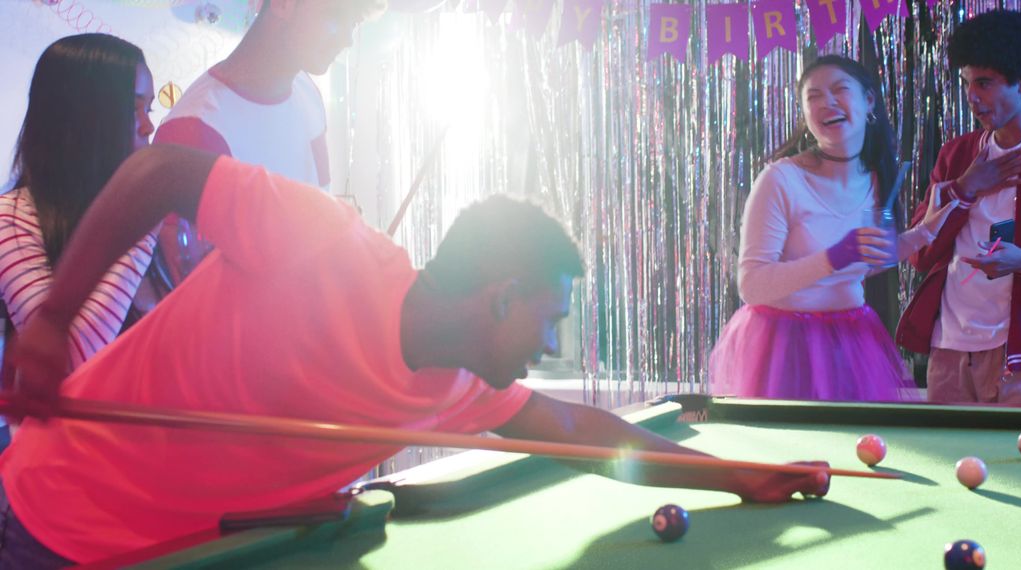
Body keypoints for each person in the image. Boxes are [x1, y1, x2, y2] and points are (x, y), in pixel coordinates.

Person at [0, 145, 830, 567]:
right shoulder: (321, 238)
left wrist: (736, 477)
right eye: (549, 321)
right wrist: (51, 322)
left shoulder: (466, 388)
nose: (548, 348)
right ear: (500, 296)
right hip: (48, 522)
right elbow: (161, 168)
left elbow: (587, 434)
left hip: (189, 553)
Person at [708, 55, 957, 401]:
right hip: (784, 345)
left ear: (869, 100)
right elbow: (752, 285)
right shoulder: (779, 180)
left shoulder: (874, 178)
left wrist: (923, 235)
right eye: (813, 97)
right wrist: (835, 256)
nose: (827, 103)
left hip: (851, 340)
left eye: (840, 90)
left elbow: (865, 263)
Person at [896, 9, 1021, 405]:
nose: (971, 97)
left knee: (1018, 466)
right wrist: (964, 190)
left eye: (984, 82)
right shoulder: (957, 153)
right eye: (966, 82)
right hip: (949, 344)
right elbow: (921, 253)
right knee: (947, 462)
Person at [153, 0, 384, 283]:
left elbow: (318, 206)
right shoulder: (195, 130)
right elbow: (192, 287)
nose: (348, 38)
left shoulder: (306, 92)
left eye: (355, 22)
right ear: (283, 4)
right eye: (336, 14)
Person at [0, 34, 158, 387]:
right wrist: (145, 218)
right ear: (85, 119)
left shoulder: (137, 216)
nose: (148, 126)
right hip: (69, 440)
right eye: (133, 110)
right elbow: (72, 358)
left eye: (149, 109)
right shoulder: (12, 217)